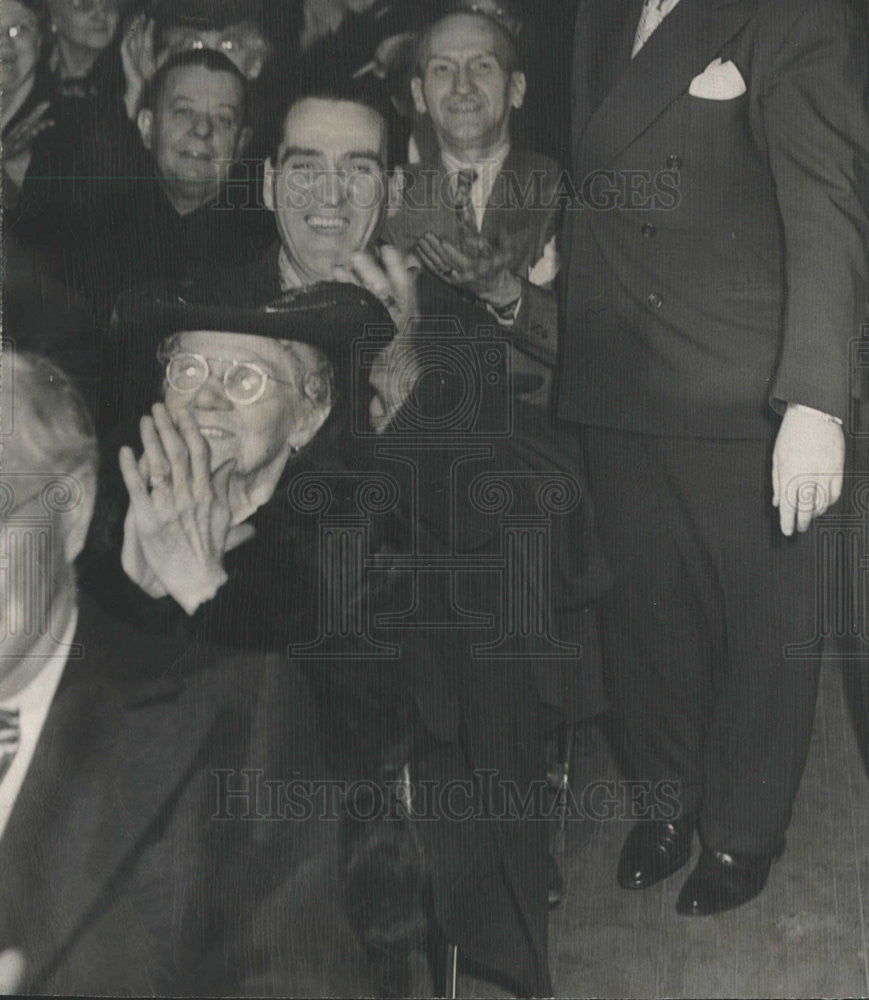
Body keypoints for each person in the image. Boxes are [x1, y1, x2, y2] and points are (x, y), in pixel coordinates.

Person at [560, 0, 869, 915]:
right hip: (618, 374)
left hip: (741, 384)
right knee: (642, 619)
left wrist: (816, 400)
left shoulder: (796, 14)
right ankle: (666, 803)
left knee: (763, 633)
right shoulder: (594, 13)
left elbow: (827, 204)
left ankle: (739, 831)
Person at [0, 348, 368, 995]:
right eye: (187, 372)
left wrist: (199, 593)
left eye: (245, 377)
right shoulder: (121, 540)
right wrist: (142, 595)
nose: (207, 399)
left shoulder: (352, 540)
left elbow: (355, 768)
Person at [386, 10, 561, 402]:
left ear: (516, 88)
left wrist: (505, 292)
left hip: (534, 439)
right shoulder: (388, 197)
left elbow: (604, 347)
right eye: (443, 69)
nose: (462, 86)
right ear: (418, 95)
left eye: (482, 65)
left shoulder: (568, 194)